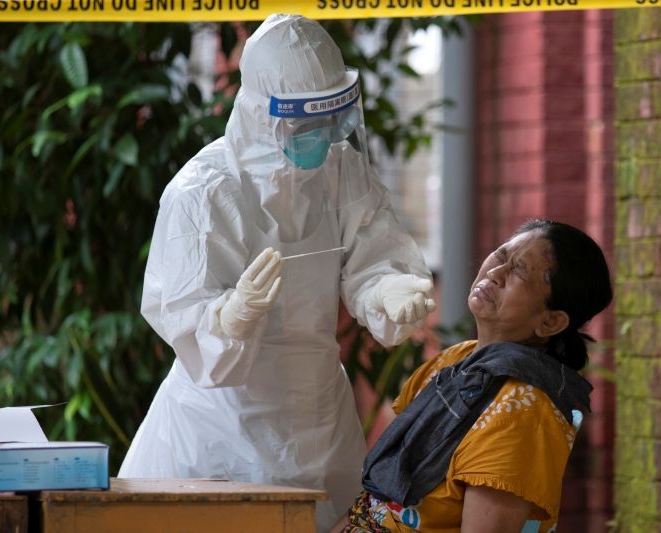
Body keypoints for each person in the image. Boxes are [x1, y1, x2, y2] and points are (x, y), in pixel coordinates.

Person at [118, 14, 435, 532]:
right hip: (219, 428)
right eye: (308, 122)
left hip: (318, 417)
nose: (326, 138)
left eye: (332, 120)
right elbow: (181, 313)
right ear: (262, 112)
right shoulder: (203, 191)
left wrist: (386, 286)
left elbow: (373, 249)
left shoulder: (340, 168)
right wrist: (229, 318)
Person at [332, 219, 613, 533]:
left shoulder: (522, 410)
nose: (494, 274)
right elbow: (374, 503)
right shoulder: (452, 361)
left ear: (550, 323)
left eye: (518, 271)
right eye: (501, 255)